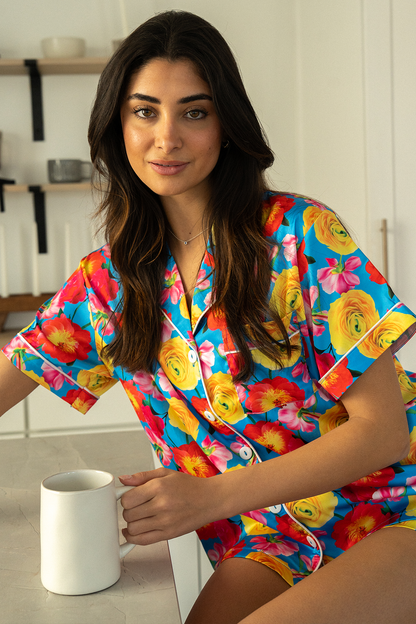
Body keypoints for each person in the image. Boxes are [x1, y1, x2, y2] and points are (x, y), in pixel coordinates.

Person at [1, 10, 416, 623]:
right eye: (145, 111)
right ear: (117, 124)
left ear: (227, 123)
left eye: (194, 111)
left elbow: (383, 431)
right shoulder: (109, 282)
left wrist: (209, 497)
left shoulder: (302, 237)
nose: (166, 137)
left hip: (392, 504)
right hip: (268, 538)